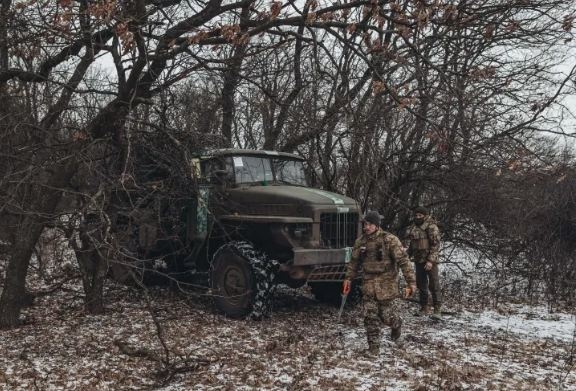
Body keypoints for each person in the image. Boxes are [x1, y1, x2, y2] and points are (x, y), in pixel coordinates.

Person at [342, 210, 416, 356]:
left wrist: (411, 283)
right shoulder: (361, 241)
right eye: (365, 224)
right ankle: (373, 349)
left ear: (376, 225)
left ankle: (397, 324)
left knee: (386, 317)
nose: (366, 227)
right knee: (370, 317)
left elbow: (404, 262)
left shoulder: (390, 240)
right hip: (368, 285)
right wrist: (348, 278)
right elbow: (354, 263)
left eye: (369, 224)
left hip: (386, 285)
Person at [404, 206, 442, 318]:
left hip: (430, 261)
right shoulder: (414, 227)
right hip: (418, 260)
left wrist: (430, 261)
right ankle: (424, 307)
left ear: (425, 216)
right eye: (416, 215)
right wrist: (406, 256)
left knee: (434, 284)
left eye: (420, 215)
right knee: (421, 284)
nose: (418, 217)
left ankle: (437, 309)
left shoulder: (431, 227)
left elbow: (435, 245)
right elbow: (412, 244)